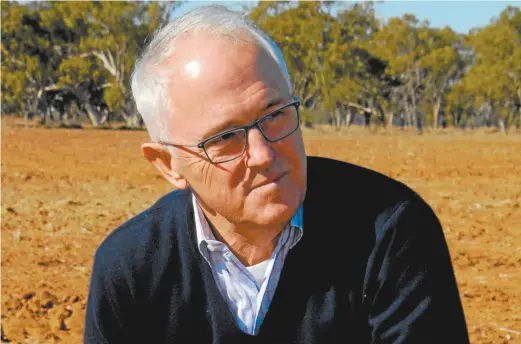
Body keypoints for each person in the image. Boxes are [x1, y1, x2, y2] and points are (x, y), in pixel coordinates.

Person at [84, 5, 470, 344]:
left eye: (275, 115)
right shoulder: (131, 270)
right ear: (168, 164)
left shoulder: (389, 233)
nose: (263, 154)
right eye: (225, 138)